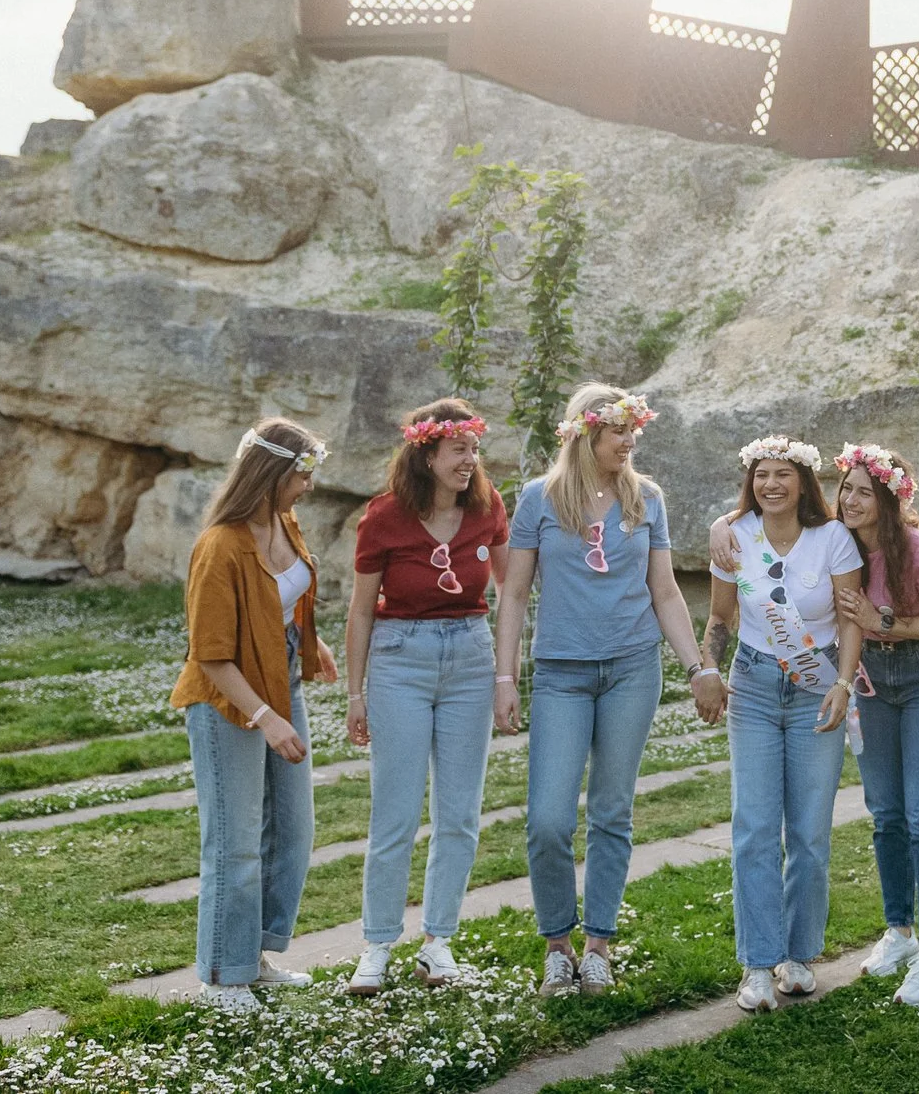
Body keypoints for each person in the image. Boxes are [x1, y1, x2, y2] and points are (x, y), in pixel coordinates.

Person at [492, 384, 726, 998]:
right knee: (546, 820)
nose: (629, 441)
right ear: (584, 433)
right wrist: (505, 677)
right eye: (618, 430)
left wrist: (699, 666)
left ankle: (597, 945)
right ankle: (556, 946)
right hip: (563, 673)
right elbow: (513, 593)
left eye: (633, 431)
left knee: (611, 810)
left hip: (631, 668)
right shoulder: (539, 500)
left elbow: (666, 591)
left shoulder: (645, 498)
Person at [168, 418, 339, 1013]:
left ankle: (255, 957)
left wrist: (307, 641)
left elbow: (285, 592)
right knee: (235, 843)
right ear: (270, 474)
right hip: (228, 702)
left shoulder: (284, 522)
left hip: (279, 681)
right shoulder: (220, 547)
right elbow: (210, 657)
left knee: (293, 831)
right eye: (303, 474)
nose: (309, 487)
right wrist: (266, 717)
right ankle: (222, 975)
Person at [342, 399, 503, 996]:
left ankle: (438, 944)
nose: (470, 460)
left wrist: (506, 675)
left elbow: (511, 593)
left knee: (460, 814)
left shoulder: (487, 509)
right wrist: (355, 693)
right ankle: (378, 945)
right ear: (427, 453)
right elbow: (361, 610)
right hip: (398, 660)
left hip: (469, 656)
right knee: (396, 813)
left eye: (473, 449)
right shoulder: (383, 517)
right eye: (458, 449)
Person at [703, 436, 867, 1012]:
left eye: (783, 474)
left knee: (809, 831)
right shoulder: (737, 537)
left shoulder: (833, 540)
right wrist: (708, 669)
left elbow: (851, 621)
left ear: (803, 482)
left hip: (815, 686)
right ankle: (754, 963)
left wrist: (843, 684)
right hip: (751, 682)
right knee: (753, 825)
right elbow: (721, 615)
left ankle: (796, 956)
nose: (771, 484)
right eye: (761, 474)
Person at [830, 444, 919, 1006]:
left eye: (865, 491)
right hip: (871, 682)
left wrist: (883, 619)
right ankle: (900, 934)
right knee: (885, 814)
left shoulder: (917, 548)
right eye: (846, 488)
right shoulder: (840, 546)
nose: (850, 499)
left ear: (888, 500)